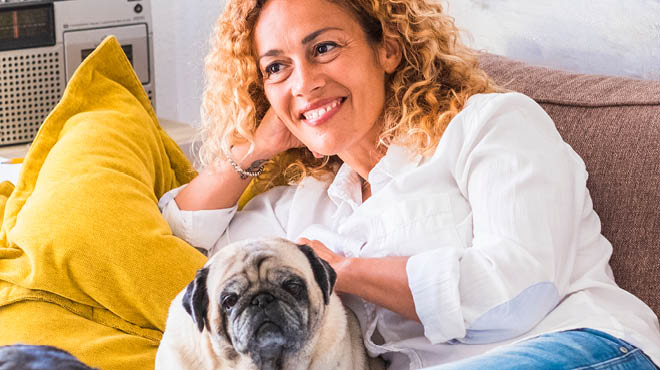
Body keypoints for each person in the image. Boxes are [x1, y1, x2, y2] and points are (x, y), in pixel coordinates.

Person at [158, 0, 660, 368]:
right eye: (276, 68)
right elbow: (185, 236)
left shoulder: (493, 125)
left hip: (583, 345)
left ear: (389, 49)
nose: (304, 82)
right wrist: (255, 148)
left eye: (324, 48)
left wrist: (346, 270)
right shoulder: (307, 204)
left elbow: (518, 292)